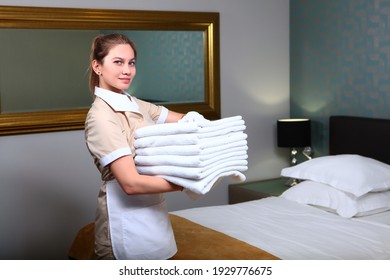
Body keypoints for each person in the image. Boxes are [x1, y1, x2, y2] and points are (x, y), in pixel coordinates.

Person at [84, 33, 202, 260]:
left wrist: (206, 127)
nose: (127, 70)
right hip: (124, 222)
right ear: (97, 66)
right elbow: (130, 184)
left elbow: (183, 119)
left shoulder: (133, 103)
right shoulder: (101, 116)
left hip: (154, 214)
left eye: (131, 63)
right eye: (118, 62)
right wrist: (188, 182)